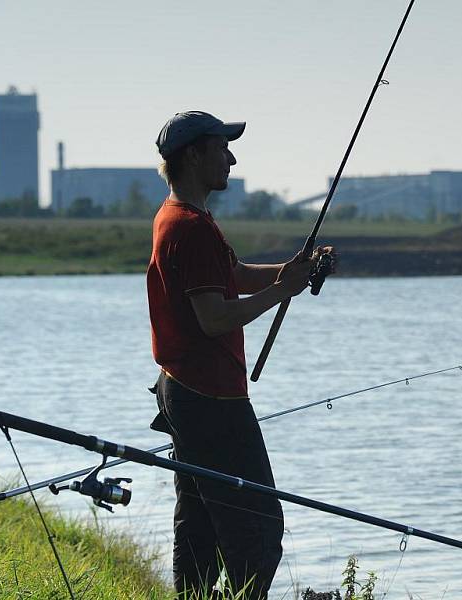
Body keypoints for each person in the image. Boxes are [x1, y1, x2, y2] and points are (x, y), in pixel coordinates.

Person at [146, 111, 334, 599]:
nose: (231, 157)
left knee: (200, 526)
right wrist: (283, 291)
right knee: (258, 527)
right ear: (193, 155)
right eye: (221, 148)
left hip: (183, 391)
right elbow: (214, 317)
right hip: (210, 400)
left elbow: (233, 276)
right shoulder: (192, 228)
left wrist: (293, 270)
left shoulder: (180, 217)